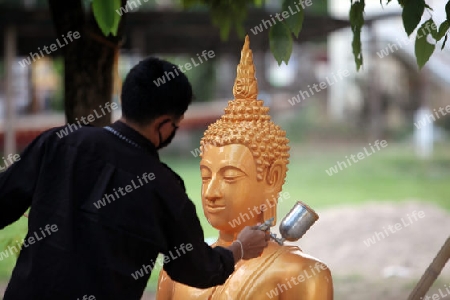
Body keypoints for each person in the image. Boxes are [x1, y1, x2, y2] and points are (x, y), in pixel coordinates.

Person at [0, 57, 269, 300]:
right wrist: (238, 249)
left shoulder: (60, 143)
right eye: (175, 125)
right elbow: (197, 269)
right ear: (163, 124)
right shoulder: (163, 187)